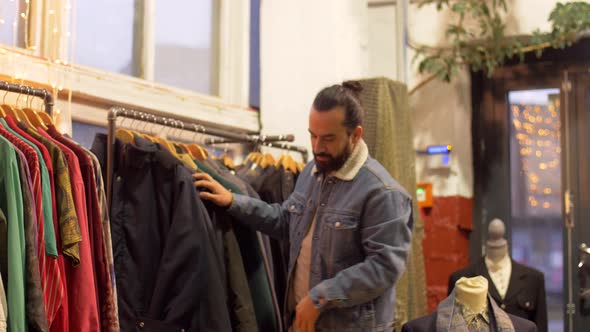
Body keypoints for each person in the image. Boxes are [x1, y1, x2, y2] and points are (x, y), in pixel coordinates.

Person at [193, 81, 413, 332]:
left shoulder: (383, 193)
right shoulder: (313, 172)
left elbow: (384, 269)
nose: (318, 148)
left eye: (328, 138)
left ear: (356, 135)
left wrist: (321, 299)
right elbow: (286, 221)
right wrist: (234, 201)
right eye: (313, 135)